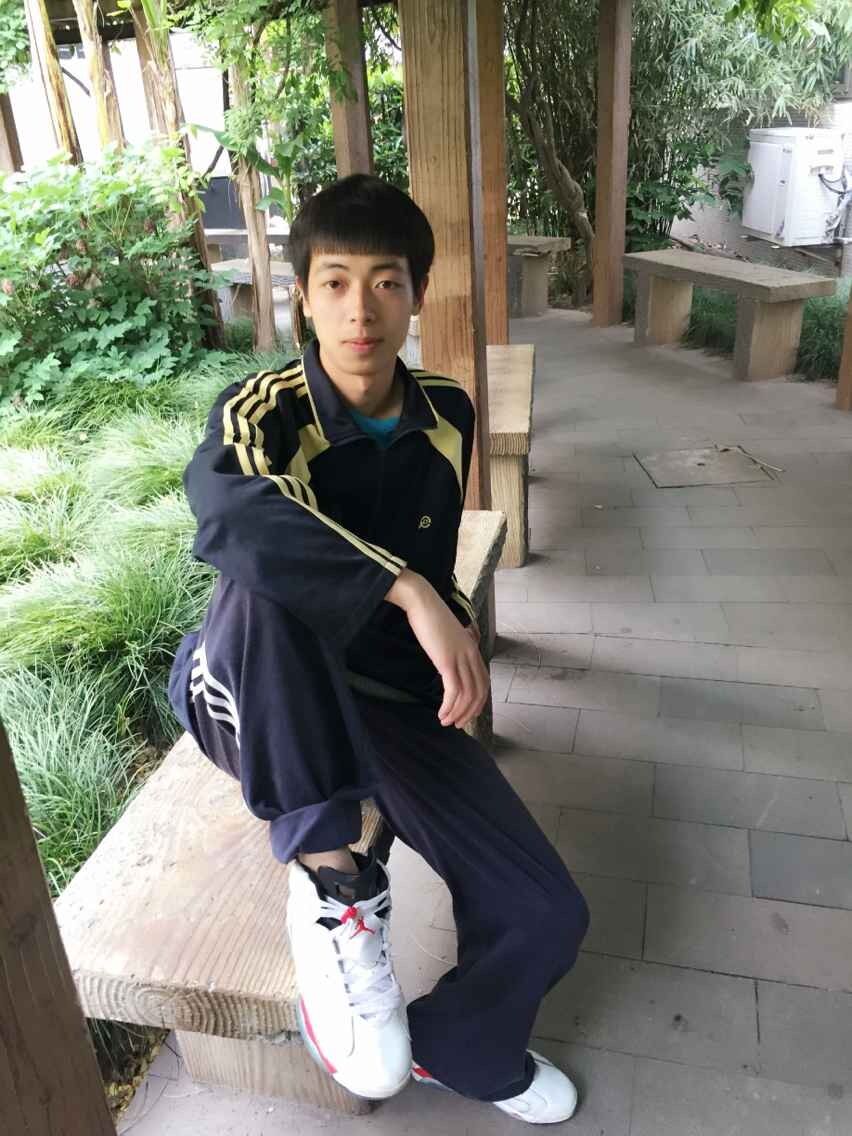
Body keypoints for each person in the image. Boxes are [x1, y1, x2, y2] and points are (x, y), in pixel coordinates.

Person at [167, 174, 590, 1125]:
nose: (361, 310)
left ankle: (461, 1046)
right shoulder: (264, 408)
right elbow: (228, 511)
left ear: (417, 294)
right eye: (335, 283)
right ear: (304, 297)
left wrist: (444, 617)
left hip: (386, 699)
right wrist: (406, 588)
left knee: (546, 912)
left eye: (387, 282)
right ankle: (333, 884)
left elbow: (432, 560)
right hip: (253, 686)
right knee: (260, 578)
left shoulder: (446, 410)